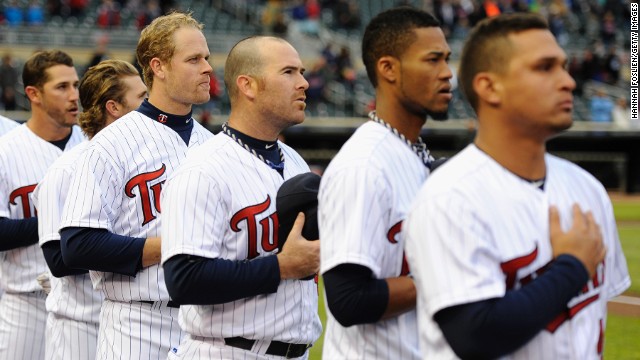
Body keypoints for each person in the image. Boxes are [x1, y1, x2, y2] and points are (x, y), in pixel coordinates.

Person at [404, 13, 630, 359]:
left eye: (564, 67)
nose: (568, 81)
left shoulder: (587, 190)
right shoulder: (449, 197)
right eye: (544, 68)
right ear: (489, 86)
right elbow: (474, 336)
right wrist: (571, 266)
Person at [58, 12, 214, 359]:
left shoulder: (213, 146)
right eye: (193, 59)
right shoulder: (111, 143)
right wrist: (171, 245)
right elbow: (77, 244)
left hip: (206, 326)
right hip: (138, 323)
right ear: (158, 67)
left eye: (206, 57)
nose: (207, 67)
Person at [161, 35, 321, 359]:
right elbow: (184, 279)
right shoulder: (203, 170)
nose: (303, 83)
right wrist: (282, 266)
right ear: (248, 86)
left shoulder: (294, 161)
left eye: (302, 72)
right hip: (227, 350)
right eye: (289, 72)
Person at [317, 7, 452, 359]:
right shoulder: (364, 165)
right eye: (433, 60)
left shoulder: (411, 152)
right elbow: (349, 300)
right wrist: (454, 272)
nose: (447, 74)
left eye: (447, 60)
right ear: (388, 68)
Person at [32, 59, 147, 360]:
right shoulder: (67, 168)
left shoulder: (138, 162)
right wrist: (138, 248)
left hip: (126, 320)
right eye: (143, 99)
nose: (151, 106)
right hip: (79, 325)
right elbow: (58, 259)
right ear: (114, 107)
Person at [0, 50, 85, 360]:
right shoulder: (6, 151)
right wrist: (59, 222)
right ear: (33, 94)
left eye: (76, 85)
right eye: (62, 87)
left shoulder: (93, 145)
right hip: (26, 303)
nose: (74, 95)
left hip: (83, 302)